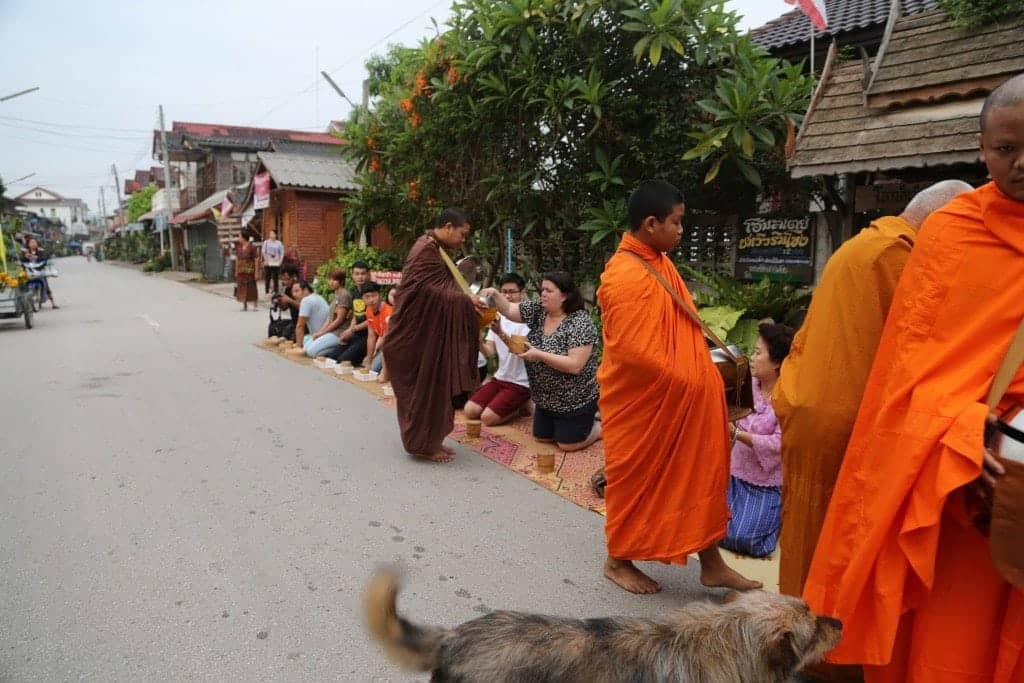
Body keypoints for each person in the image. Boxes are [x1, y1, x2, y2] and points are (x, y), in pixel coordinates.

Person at [804, 74, 1024, 682]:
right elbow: (902, 377)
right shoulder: (952, 235)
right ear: (982, 149)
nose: (1021, 163)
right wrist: (958, 430)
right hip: (952, 483)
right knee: (943, 642)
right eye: (1006, 149)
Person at [773, 180, 974, 603]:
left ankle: (796, 632)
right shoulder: (897, 257)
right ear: (939, 221)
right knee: (835, 536)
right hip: (842, 417)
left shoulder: (862, 245)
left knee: (807, 529)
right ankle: (825, 652)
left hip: (811, 402)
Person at [597, 180, 761, 595]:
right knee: (639, 482)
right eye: (676, 222)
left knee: (701, 476)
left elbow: (680, 330)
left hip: (685, 402)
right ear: (651, 223)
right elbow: (637, 355)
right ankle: (618, 559)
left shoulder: (658, 261)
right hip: (647, 408)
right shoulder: (625, 277)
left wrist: (702, 379)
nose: (681, 230)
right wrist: (694, 381)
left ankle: (711, 562)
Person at [383, 208, 484, 463]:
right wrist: (464, 301)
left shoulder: (436, 250)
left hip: (431, 334)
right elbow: (426, 290)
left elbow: (441, 287)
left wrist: (464, 300)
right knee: (423, 388)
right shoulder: (424, 250)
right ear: (448, 227)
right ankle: (421, 443)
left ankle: (432, 439)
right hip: (414, 337)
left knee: (436, 386)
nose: (463, 240)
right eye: (462, 234)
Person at [484, 272, 600, 451]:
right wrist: (493, 293)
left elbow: (575, 366)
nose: (542, 294)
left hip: (574, 399)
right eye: (542, 289)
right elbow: (509, 310)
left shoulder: (579, 323)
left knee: (567, 444)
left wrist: (538, 354)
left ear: (564, 296)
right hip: (545, 399)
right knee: (542, 438)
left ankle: (600, 427)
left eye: (549, 290)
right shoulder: (539, 310)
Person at [720, 322, 794, 558]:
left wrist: (738, 434)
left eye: (758, 353)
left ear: (777, 363)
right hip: (732, 474)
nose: (752, 357)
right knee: (707, 527)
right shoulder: (746, 385)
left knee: (744, 538)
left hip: (764, 483)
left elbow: (778, 444)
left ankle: (774, 519)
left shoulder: (787, 398)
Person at [464, 273, 532, 427]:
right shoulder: (497, 316)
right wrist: (478, 338)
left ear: (522, 293)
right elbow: (490, 352)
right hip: (500, 378)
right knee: (470, 411)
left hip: (520, 383)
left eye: (512, 292)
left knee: (487, 419)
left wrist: (500, 333)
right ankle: (511, 405)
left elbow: (521, 351)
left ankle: (519, 407)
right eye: (504, 292)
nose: (507, 296)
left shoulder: (527, 320)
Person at [304, 270, 351, 358]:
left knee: (311, 352)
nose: (331, 282)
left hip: (339, 332)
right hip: (331, 331)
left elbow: (339, 320)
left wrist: (322, 333)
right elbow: (329, 319)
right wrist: (320, 332)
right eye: (329, 279)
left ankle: (337, 349)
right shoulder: (335, 295)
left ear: (341, 281)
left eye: (334, 280)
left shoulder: (344, 295)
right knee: (306, 348)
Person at [361, 282, 393, 373]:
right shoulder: (368, 310)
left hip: (392, 345)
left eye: (374, 296)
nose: (371, 300)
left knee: (373, 370)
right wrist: (369, 360)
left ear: (381, 295)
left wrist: (375, 350)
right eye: (367, 297)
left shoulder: (389, 312)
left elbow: (386, 337)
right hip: (383, 344)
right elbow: (371, 336)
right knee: (367, 366)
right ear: (363, 299)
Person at [292, 280, 331, 350]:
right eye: (293, 292)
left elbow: (300, 326)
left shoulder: (306, 300)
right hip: (325, 335)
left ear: (306, 290)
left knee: (307, 350)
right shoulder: (319, 297)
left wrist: (298, 347)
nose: (294, 294)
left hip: (321, 336)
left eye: (297, 291)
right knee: (305, 339)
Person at [20, 237, 57, 309]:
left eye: (34, 242)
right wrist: (25, 257)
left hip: (40, 271)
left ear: (37, 244)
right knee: (24, 285)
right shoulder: (25, 252)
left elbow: (44, 258)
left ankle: (53, 304)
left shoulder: (41, 251)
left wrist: (36, 257)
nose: (33, 244)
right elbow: (21, 259)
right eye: (31, 242)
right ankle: (24, 303)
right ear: (28, 244)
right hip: (29, 271)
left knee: (46, 286)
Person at [234, 233, 259, 311]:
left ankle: (255, 305)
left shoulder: (252, 247)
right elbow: (237, 259)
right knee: (242, 286)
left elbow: (256, 259)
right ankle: (244, 304)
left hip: (250, 270)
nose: (239, 238)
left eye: (240, 236)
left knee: (252, 287)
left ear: (244, 238)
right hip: (241, 271)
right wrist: (236, 270)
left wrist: (256, 272)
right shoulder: (238, 247)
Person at [261, 229, 284, 295]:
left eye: (273, 233)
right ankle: (267, 291)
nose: (271, 235)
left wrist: (280, 261)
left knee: (275, 278)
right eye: (270, 233)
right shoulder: (266, 242)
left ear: (276, 235)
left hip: (276, 263)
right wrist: (266, 260)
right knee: (267, 277)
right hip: (268, 263)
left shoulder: (279, 243)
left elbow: (282, 253)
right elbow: (263, 252)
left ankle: (276, 291)